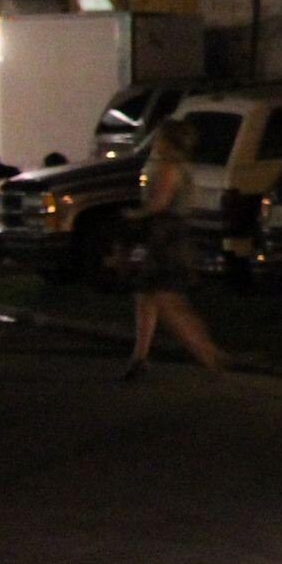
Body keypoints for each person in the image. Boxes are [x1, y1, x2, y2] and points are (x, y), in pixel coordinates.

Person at [122, 115, 225, 380]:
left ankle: (207, 353)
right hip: (169, 237)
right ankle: (140, 356)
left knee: (167, 300)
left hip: (166, 239)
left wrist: (133, 215)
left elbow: (160, 204)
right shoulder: (182, 167)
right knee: (146, 296)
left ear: (168, 141)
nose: (155, 142)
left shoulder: (168, 168)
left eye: (159, 138)